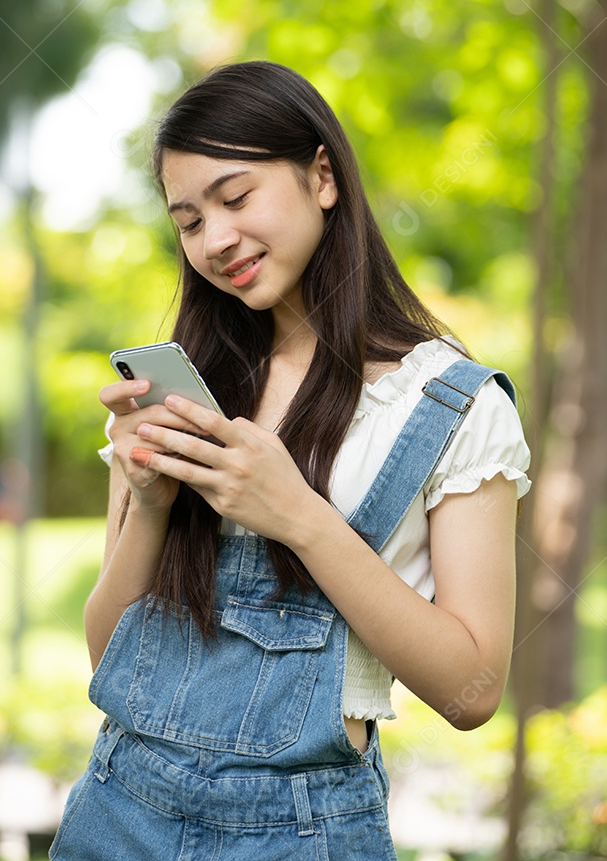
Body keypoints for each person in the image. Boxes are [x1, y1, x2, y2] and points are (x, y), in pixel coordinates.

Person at [50, 60, 531, 860]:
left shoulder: (450, 406)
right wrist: (150, 503)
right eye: (189, 220)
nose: (217, 239)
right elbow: (110, 658)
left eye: (235, 198)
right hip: (117, 809)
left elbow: (473, 689)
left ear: (322, 176)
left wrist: (298, 515)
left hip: (301, 832)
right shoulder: (180, 389)